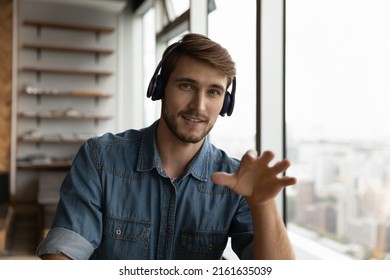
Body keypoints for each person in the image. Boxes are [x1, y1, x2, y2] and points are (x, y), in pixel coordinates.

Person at [36, 33, 297, 260]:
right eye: (186, 85)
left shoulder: (236, 180)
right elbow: (64, 252)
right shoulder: (100, 158)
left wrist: (263, 204)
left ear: (226, 104)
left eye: (214, 92)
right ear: (160, 87)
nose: (199, 106)